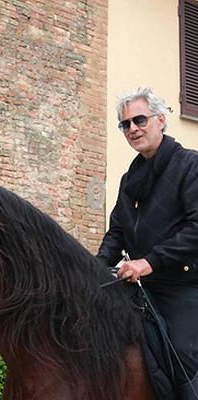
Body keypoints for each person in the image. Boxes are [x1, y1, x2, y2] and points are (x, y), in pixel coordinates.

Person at [97, 87, 198, 397]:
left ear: (161, 120)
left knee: (181, 353)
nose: (132, 129)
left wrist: (148, 262)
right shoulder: (130, 180)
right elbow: (116, 233)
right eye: (125, 124)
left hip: (184, 285)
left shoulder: (189, 165)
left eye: (139, 120)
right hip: (142, 288)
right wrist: (93, 269)